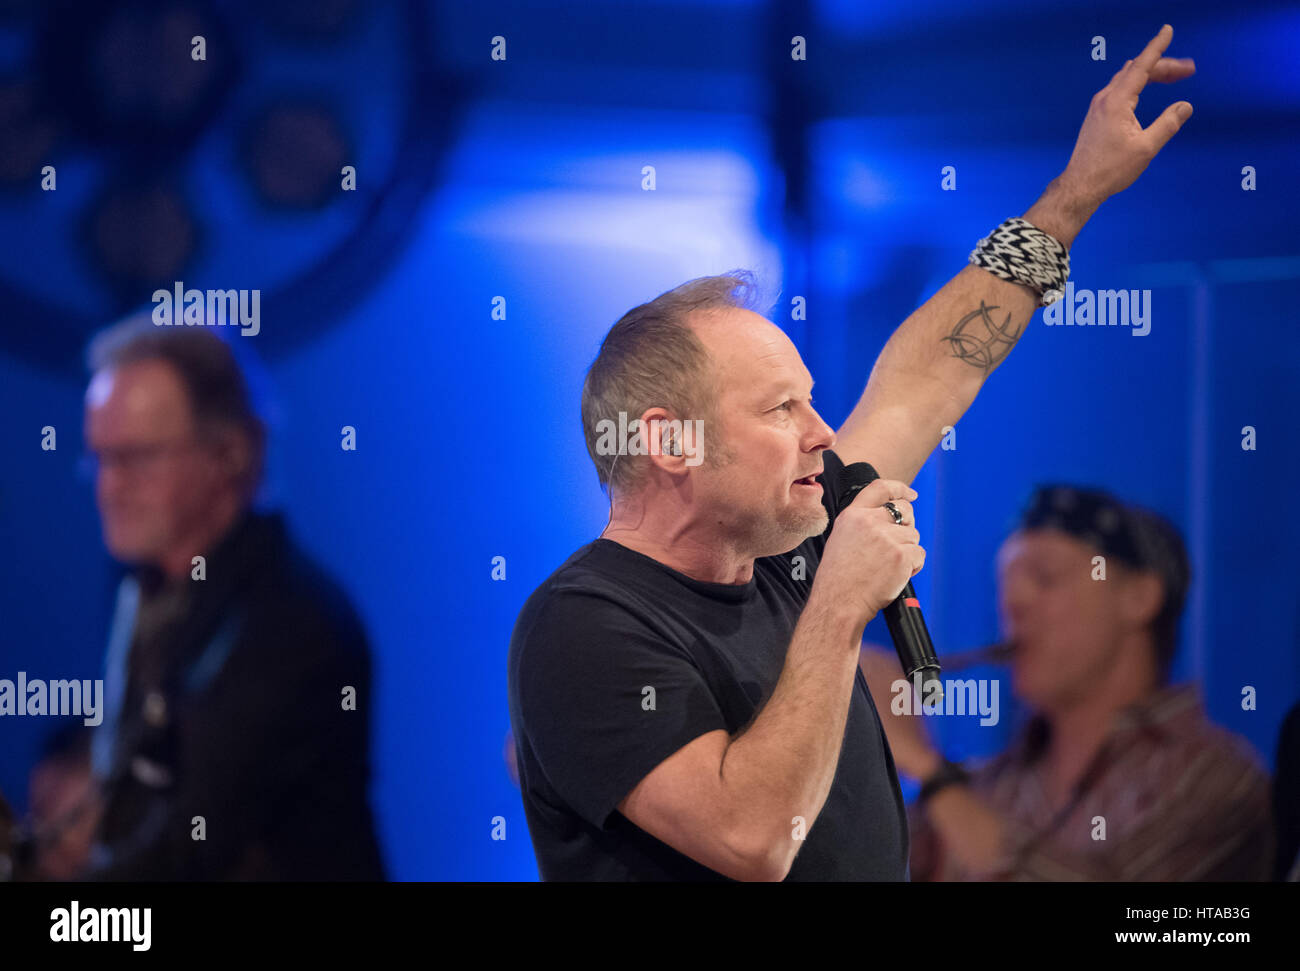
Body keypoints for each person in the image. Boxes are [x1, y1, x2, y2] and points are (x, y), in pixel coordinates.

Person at [507, 26, 1197, 881]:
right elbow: (751, 838)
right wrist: (837, 606)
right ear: (669, 441)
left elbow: (930, 375)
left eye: (811, 398)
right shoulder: (586, 624)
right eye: (780, 407)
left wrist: (1075, 195)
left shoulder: (786, 546)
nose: (822, 430)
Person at [81, 314, 385, 880]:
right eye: (99, 457)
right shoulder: (152, 595)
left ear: (231, 453)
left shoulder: (296, 622)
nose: (109, 486)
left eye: (135, 458)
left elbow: (191, 850)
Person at [862, 485, 1274, 881]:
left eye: (1044, 578)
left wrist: (927, 768)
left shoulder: (1214, 777)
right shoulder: (990, 783)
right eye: (1004, 588)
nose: (1013, 604)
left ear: (1140, 597)